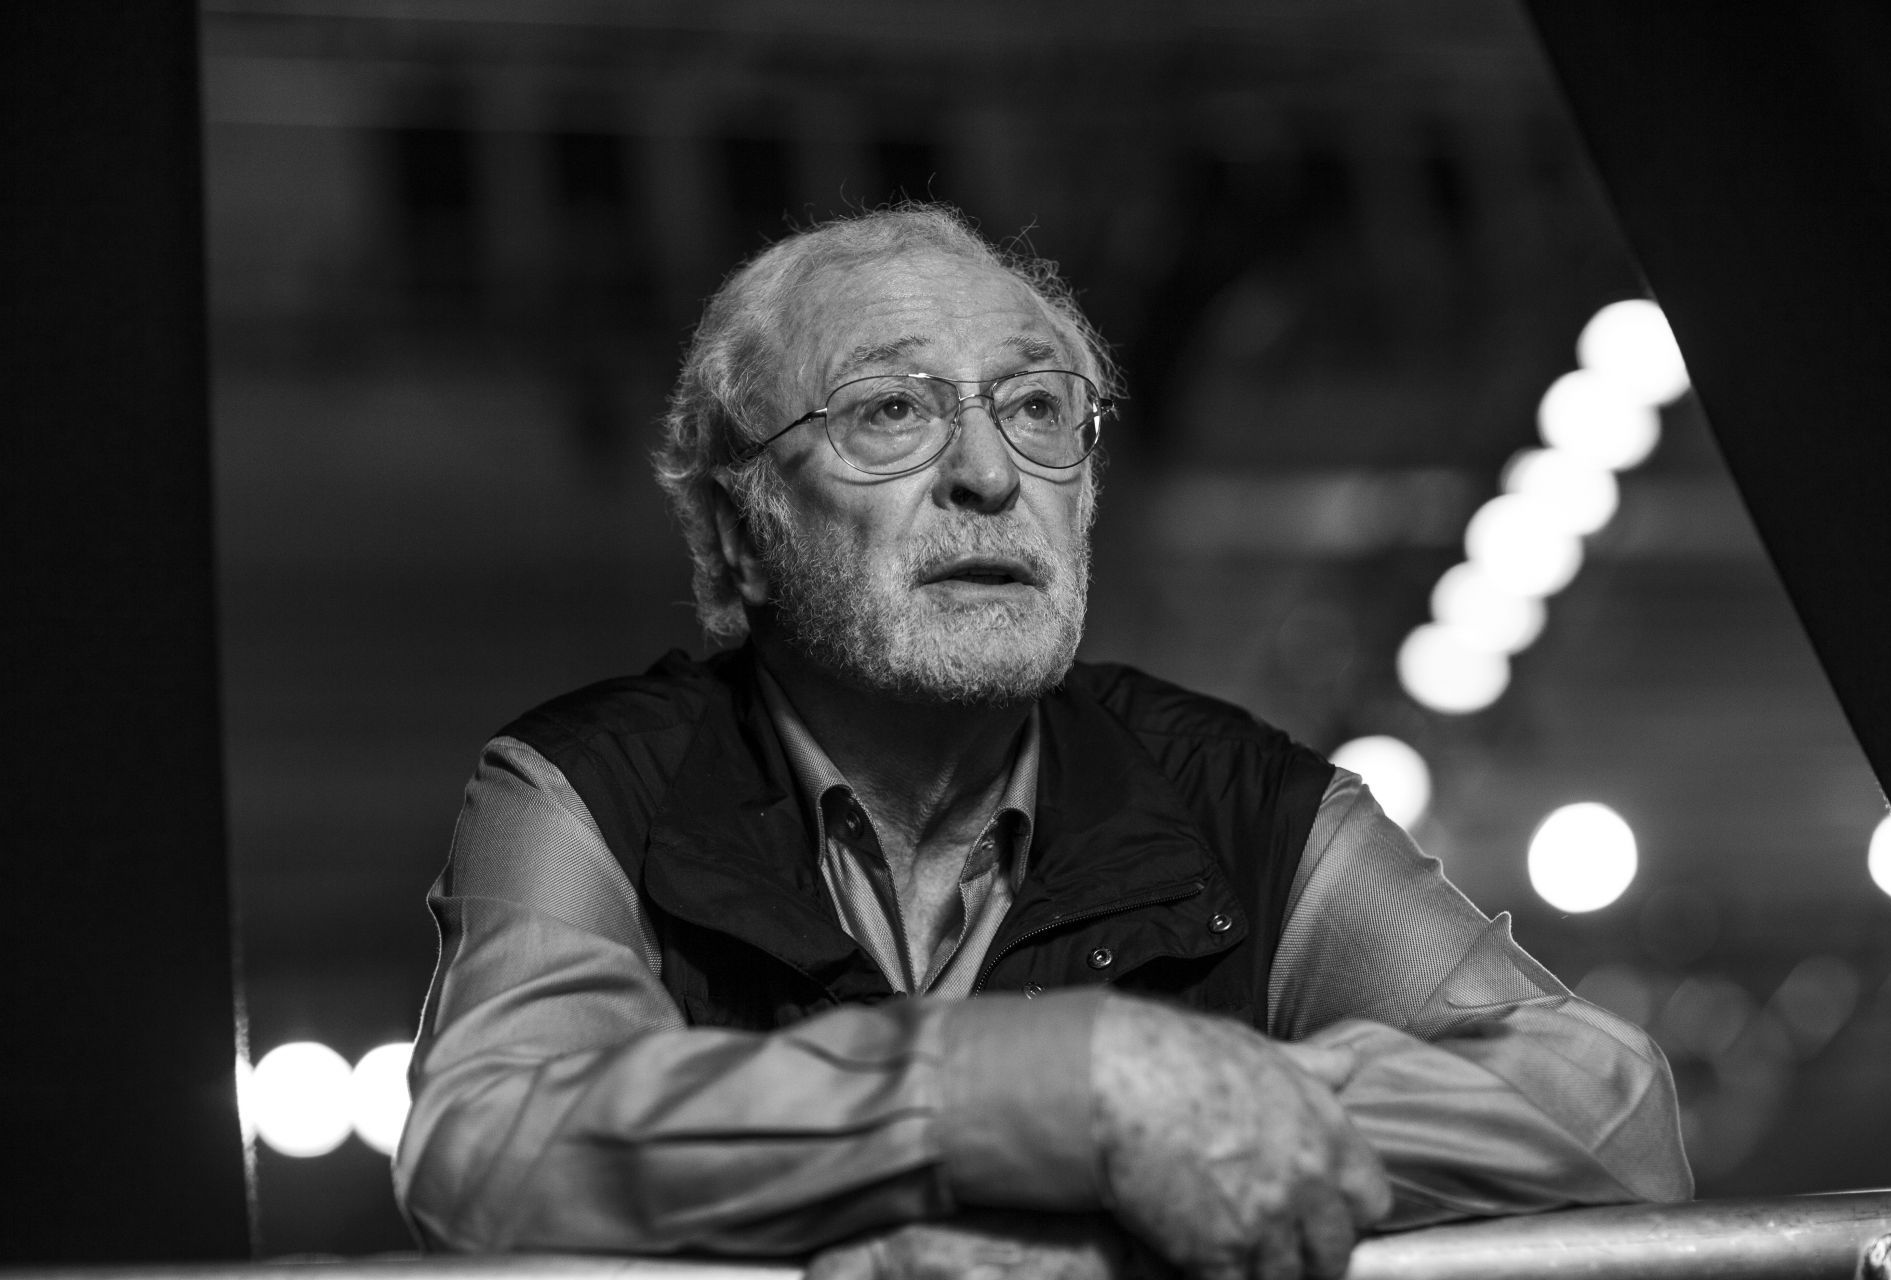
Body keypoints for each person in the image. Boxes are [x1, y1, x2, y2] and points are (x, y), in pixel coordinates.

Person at [393, 205, 1691, 1280]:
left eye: (1037, 406)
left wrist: (1126, 1140)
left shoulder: (1249, 799)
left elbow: (1610, 1114)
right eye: (890, 410)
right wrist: (1043, 1088)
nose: (991, 471)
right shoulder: (586, 785)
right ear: (741, 535)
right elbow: (489, 1149)